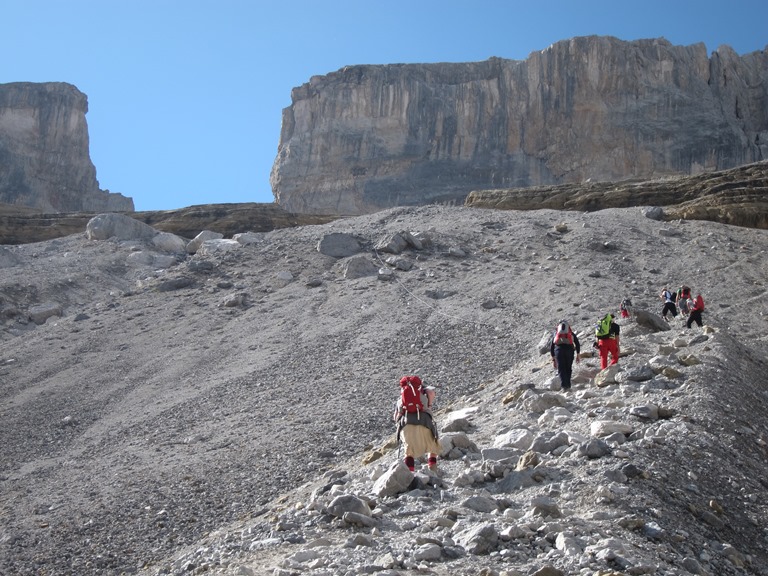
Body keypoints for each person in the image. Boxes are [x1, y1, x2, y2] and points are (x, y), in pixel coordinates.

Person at [393, 375, 440, 472]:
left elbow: (396, 417)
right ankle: (432, 468)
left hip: (406, 425)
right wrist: (428, 405)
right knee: (433, 445)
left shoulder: (401, 399)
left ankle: (411, 473)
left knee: (408, 450)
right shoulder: (425, 393)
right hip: (425, 422)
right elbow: (429, 405)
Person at [549, 320, 581, 391]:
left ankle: (564, 387)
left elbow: (551, 347)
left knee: (561, 369)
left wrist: (554, 359)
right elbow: (577, 344)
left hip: (559, 351)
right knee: (568, 368)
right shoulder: (571, 333)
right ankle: (568, 386)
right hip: (569, 351)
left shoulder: (556, 333)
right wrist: (578, 355)